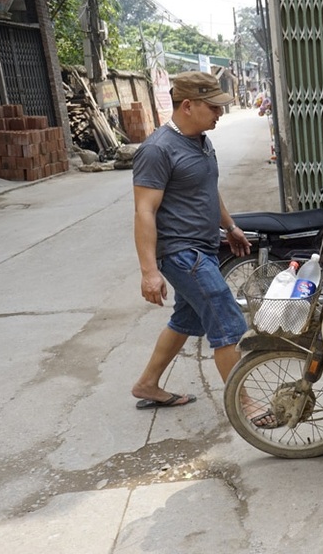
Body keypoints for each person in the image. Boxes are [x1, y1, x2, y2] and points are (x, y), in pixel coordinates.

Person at [130, 71, 251, 411]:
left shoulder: (201, 140)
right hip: (182, 253)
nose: (219, 113)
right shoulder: (157, 150)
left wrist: (229, 225)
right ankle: (245, 405)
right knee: (226, 321)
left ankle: (147, 384)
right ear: (187, 105)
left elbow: (206, 188)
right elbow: (144, 211)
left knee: (187, 319)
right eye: (213, 107)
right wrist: (149, 272)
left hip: (204, 248)